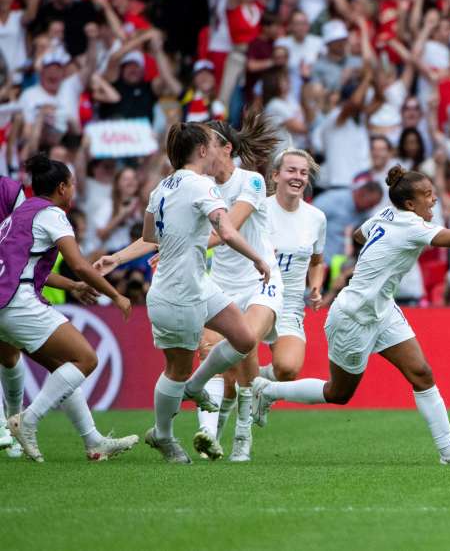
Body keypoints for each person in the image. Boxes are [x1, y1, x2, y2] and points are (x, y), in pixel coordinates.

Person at [251, 165, 450, 464]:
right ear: (410, 204)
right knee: (339, 393)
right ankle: (268, 390)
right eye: (428, 195)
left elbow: (359, 234)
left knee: (421, 373)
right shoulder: (411, 226)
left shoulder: (385, 214)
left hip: (383, 309)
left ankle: (449, 451)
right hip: (353, 317)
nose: (433, 200)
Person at [142, 122, 272, 464]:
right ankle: (164, 436)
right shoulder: (202, 185)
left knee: (244, 339)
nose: (215, 150)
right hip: (177, 292)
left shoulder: (162, 187)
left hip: (199, 283)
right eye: (211, 145)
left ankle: (197, 387)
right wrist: (258, 257)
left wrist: (120, 257)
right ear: (202, 150)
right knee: (176, 370)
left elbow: (148, 235)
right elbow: (226, 231)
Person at [0, 156, 136, 462]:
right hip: (17, 302)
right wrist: (115, 296)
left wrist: (73, 287)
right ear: (62, 188)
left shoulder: (17, 216)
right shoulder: (52, 214)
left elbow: (29, 269)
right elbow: (79, 264)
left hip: (4, 303)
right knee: (85, 359)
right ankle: (27, 420)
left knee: (63, 366)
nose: (73, 189)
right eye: (72, 184)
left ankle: (94, 442)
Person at [257, 149, 326, 386]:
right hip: (254, 298)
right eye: (292, 170)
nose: (298, 177)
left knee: (287, 369)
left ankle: (257, 383)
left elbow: (317, 261)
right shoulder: (257, 211)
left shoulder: (316, 218)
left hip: (290, 303)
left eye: (304, 173)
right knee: (232, 364)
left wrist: (315, 287)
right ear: (276, 175)